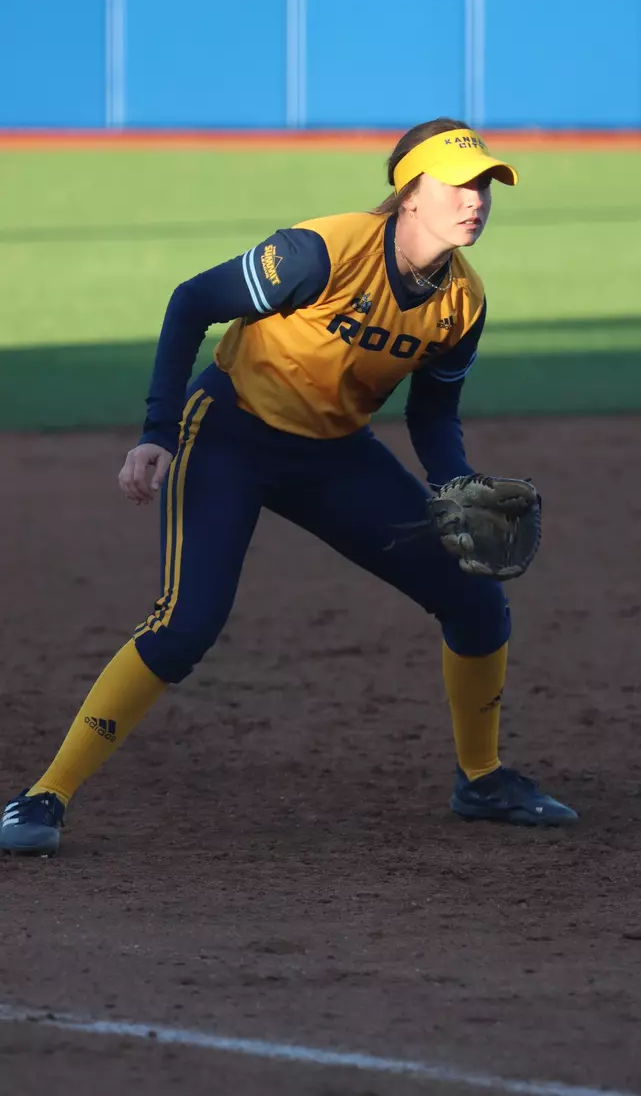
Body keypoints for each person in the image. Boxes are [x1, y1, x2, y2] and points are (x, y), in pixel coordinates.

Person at [1, 117, 577, 858]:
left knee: (475, 601)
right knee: (186, 625)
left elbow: (434, 415)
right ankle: (43, 795)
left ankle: (482, 778)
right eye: (458, 184)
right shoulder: (318, 253)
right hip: (231, 435)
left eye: (485, 186)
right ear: (409, 193)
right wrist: (157, 430)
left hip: (335, 456)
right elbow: (192, 302)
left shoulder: (461, 302)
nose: (475, 200)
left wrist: (455, 482)